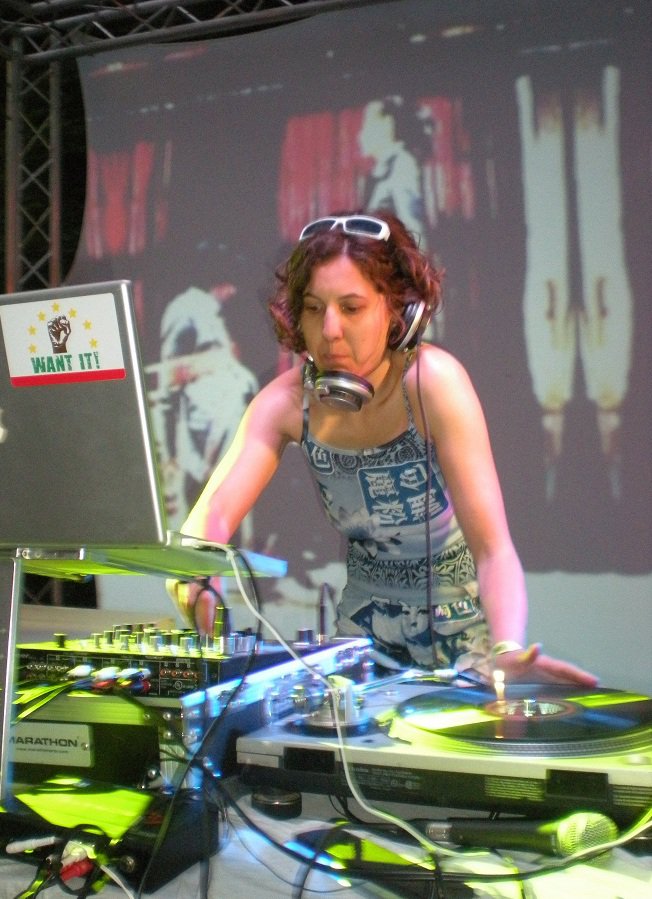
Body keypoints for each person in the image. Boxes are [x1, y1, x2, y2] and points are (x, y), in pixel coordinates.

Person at [169, 209, 597, 686]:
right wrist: (195, 574)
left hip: (465, 649)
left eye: (351, 308)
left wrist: (507, 649)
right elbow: (209, 519)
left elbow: (494, 550)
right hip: (362, 650)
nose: (330, 330)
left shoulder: (433, 384)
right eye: (314, 308)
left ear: (399, 312)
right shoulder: (284, 405)